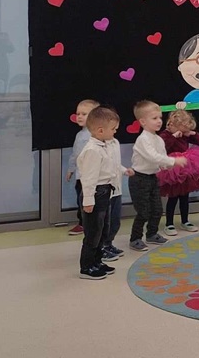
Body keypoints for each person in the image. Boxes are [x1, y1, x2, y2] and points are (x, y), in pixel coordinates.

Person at [128, 100, 186, 251]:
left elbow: (162, 159)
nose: (159, 121)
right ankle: (135, 238)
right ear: (143, 122)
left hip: (153, 178)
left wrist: (171, 165)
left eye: (160, 117)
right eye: (154, 118)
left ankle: (152, 234)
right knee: (143, 212)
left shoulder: (158, 139)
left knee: (157, 209)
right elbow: (153, 157)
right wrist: (174, 161)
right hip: (139, 179)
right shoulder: (143, 140)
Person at [77, 106, 121, 280]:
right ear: (100, 130)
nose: (115, 132)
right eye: (113, 129)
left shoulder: (105, 145)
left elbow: (110, 167)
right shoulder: (92, 150)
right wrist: (88, 200)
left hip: (105, 192)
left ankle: (97, 261)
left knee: (103, 230)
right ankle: (87, 267)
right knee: (93, 233)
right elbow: (88, 178)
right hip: (95, 193)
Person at [158, 109, 199, 236]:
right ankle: (169, 223)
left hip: (185, 167)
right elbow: (162, 147)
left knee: (184, 197)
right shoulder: (165, 134)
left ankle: (185, 221)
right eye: (183, 128)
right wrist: (173, 136)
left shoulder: (185, 134)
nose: (184, 131)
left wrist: (192, 133)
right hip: (172, 167)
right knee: (173, 197)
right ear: (172, 124)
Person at [102, 114, 134, 262]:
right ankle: (101, 248)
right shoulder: (97, 147)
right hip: (104, 191)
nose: (115, 131)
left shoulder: (115, 142)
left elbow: (115, 163)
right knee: (104, 222)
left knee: (115, 221)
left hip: (116, 189)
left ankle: (108, 244)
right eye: (113, 128)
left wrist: (124, 170)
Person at [65, 99, 99, 236]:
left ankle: (90, 224)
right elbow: (75, 154)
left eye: (84, 114)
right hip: (81, 176)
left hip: (93, 177)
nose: (79, 116)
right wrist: (71, 169)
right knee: (81, 200)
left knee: (90, 200)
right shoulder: (80, 135)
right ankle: (83, 223)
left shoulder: (96, 134)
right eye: (78, 113)